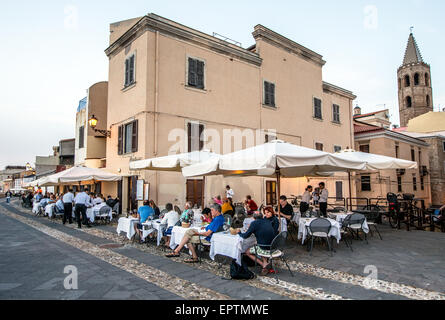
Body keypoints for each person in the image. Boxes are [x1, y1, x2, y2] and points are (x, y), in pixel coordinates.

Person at [237, 212, 276, 276]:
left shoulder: (254, 223)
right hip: (273, 245)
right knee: (260, 242)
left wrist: (239, 232)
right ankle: (265, 262)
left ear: (253, 218)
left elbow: (245, 236)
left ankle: (264, 264)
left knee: (247, 252)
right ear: (262, 216)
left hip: (264, 247)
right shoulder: (267, 221)